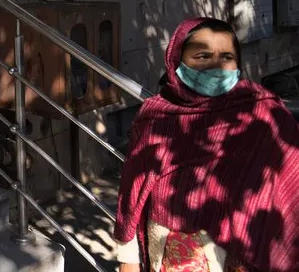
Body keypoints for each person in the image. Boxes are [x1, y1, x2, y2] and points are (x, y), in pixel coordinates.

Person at [115, 18, 299, 271]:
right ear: (177, 59)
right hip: (177, 254)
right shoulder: (155, 117)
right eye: (202, 56)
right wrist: (128, 259)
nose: (216, 66)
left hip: (249, 255)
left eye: (226, 57)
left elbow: (292, 185)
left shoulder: (265, 114)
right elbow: (132, 193)